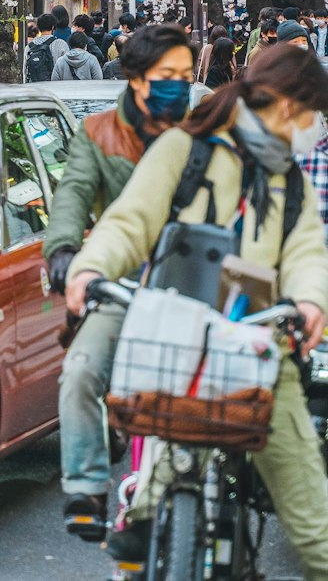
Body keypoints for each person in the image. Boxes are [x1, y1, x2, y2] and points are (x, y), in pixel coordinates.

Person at [64, 44, 328, 576]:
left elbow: (305, 253)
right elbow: (129, 220)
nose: (315, 128)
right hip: (176, 333)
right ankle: (139, 524)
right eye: (313, 114)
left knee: (313, 523)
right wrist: (89, 268)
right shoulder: (186, 149)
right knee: (165, 436)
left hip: (255, 345)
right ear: (285, 106)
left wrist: (309, 302)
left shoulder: (289, 181)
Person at [49, 23, 194, 541]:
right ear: (136, 79)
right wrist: (64, 252)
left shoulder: (205, 134)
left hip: (196, 285)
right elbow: (71, 196)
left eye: (186, 75)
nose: (179, 84)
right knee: (81, 371)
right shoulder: (98, 134)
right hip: (120, 285)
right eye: (166, 75)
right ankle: (86, 487)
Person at [25, 13, 69, 85]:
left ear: (38, 27)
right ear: (52, 27)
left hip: (34, 87)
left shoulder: (29, 46)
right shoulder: (61, 44)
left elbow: (25, 70)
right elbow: (66, 69)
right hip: (55, 87)